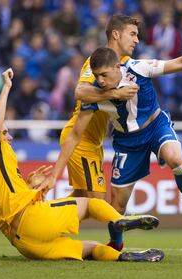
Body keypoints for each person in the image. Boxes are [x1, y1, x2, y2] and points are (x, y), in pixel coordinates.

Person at [42, 32, 182, 246]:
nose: (100, 81)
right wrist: (55, 174)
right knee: (116, 205)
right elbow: (75, 134)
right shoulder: (97, 96)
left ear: (117, 68)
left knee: (176, 159)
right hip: (127, 143)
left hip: (155, 126)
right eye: (96, 76)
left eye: (104, 75)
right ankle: (116, 243)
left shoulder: (138, 68)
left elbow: (181, 63)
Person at [0, 68, 163, 262]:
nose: (9, 137)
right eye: (6, 133)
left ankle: (123, 257)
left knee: (90, 249)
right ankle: (120, 220)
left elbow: (7, 201)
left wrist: (29, 187)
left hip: (24, 244)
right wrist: (6, 87)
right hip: (32, 221)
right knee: (91, 204)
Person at [59, 14, 141, 251]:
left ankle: (42, 224)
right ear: (116, 34)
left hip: (94, 143)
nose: (137, 40)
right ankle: (124, 225)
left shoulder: (123, 65)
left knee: (80, 198)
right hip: (81, 139)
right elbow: (80, 91)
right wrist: (114, 94)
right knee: (97, 203)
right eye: (132, 34)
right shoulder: (98, 62)